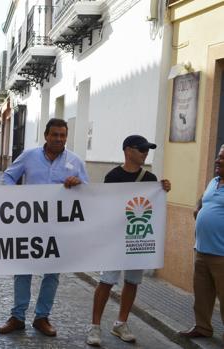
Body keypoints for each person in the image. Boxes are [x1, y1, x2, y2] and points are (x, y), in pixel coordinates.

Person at [0, 118, 88, 337]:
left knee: (52, 274)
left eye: (62, 135)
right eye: (55, 134)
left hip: (58, 227)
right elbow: (8, 177)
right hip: (28, 225)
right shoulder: (29, 156)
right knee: (22, 271)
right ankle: (17, 317)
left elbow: (87, 193)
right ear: (46, 135)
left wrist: (78, 185)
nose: (59, 139)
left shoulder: (75, 162)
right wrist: (17, 197)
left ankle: (41, 317)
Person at [86, 135, 171, 346]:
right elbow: (105, 206)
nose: (145, 153)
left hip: (137, 238)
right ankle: (94, 327)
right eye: (141, 149)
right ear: (128, 151)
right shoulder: (113, 176)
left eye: (147, 150)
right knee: (106, 281)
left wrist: (164, 188)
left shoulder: (151, 179)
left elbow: (153, 207)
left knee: (132, 282)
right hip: (115, 239)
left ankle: (120, 323)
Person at [179, 144, 224, 339]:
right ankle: (203, 327)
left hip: (222, 254)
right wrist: (199, 208)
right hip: (202, 250)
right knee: (202, 296)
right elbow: (203, 199)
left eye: (222, 158)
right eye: (218, 156)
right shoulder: (214, 181)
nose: (217, 160)